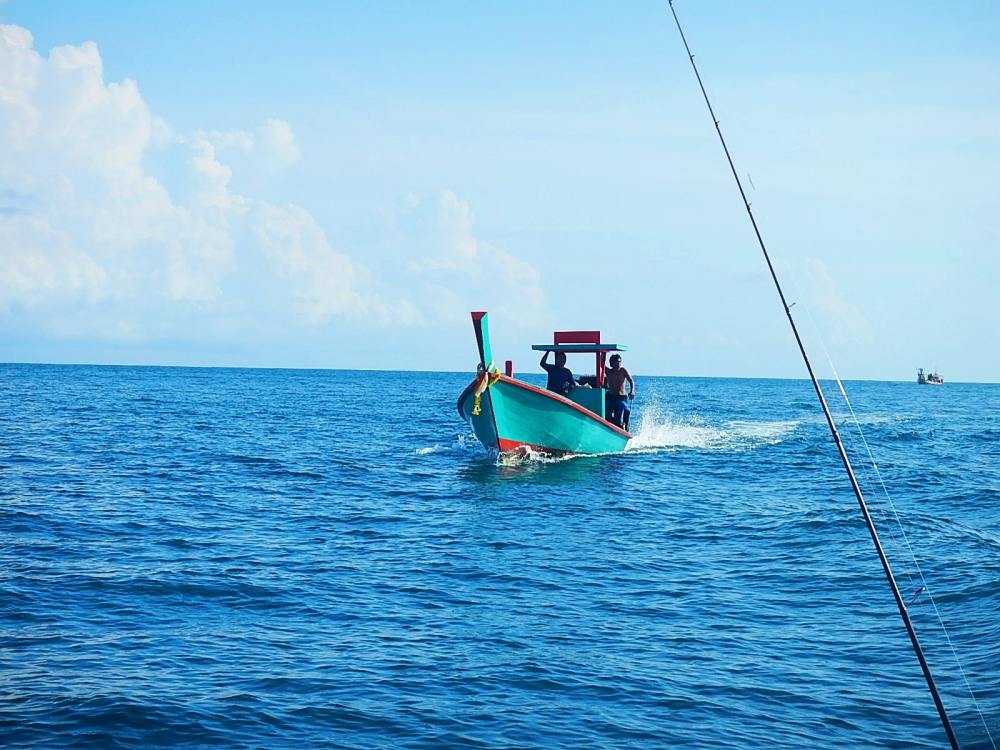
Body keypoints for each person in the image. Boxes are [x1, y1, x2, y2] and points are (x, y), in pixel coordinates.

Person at [604, 353, 635, 430]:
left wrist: (632, 391)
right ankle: (613, 426)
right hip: (611, 396)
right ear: (612, 363)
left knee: (626, 410)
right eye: (617, 362)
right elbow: (601, 363)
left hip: (621, 397)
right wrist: (603, 353)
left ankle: (626, 428)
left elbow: (631, 381)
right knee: (607, 415)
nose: (619, 364)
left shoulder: (622, 370)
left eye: (620, 362)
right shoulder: (608, 371)